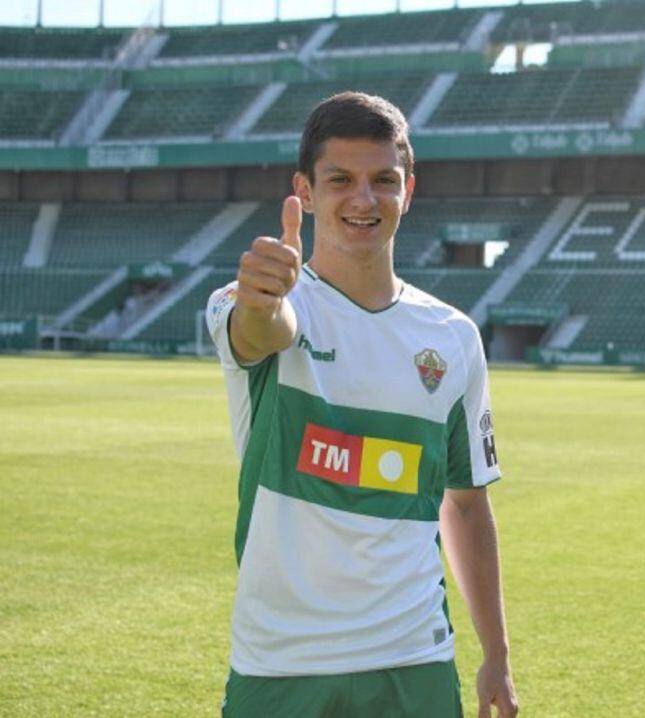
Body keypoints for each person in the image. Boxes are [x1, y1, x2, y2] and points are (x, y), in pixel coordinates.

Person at [205, 91, 518, 718]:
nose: (363, 200)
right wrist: (262, 301)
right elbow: (265, 331)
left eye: (384, 180)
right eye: (340, 180)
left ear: (409, 188)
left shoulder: (453, 336)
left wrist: (496, 652)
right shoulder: (249, 302)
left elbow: (466, 502)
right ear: (305, 191)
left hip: (415, 662)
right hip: (282, 664)